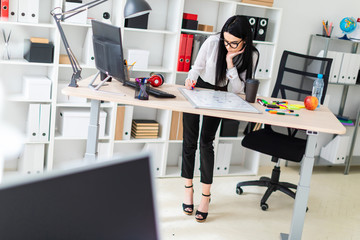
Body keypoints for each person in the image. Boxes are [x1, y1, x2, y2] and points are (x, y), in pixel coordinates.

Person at [181, 15, 259, 223]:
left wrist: (229, 62)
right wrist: (190, 79)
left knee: (206, 142)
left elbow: (239, 90)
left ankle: (205, 196)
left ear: (245, 40)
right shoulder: (213, 41)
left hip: (222, 94)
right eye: (225, 41)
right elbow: (196, 68)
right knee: (189, 141)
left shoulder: (251, 55)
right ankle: (188, 190)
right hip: (198, 89)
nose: (228, 45)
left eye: (233, 42)